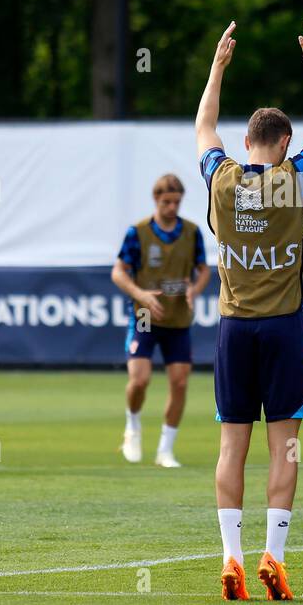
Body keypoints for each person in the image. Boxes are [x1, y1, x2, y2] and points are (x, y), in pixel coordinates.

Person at [194, 19, 303, 600]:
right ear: (283, 142)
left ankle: (229, 557)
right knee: (287, 445)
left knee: (232, 445)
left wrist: (217, 67)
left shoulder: (221, 179)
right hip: (283, 329)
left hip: (233, 329)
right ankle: (272, 557)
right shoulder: (293, 180)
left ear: (247, 140)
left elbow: (204, 124)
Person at [110, 174, 210, 468]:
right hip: (144, 314)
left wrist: (194, 289)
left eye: (177, 202)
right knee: (140, 380)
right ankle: (133, 427)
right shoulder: (138, 232)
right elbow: (118, 272)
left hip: (178, 318)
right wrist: (140, 294)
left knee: (179, 383)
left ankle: (165, 450)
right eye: (167, 202)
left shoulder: (191, 232)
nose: (172, 207)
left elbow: (203, 270)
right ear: (156, 200)